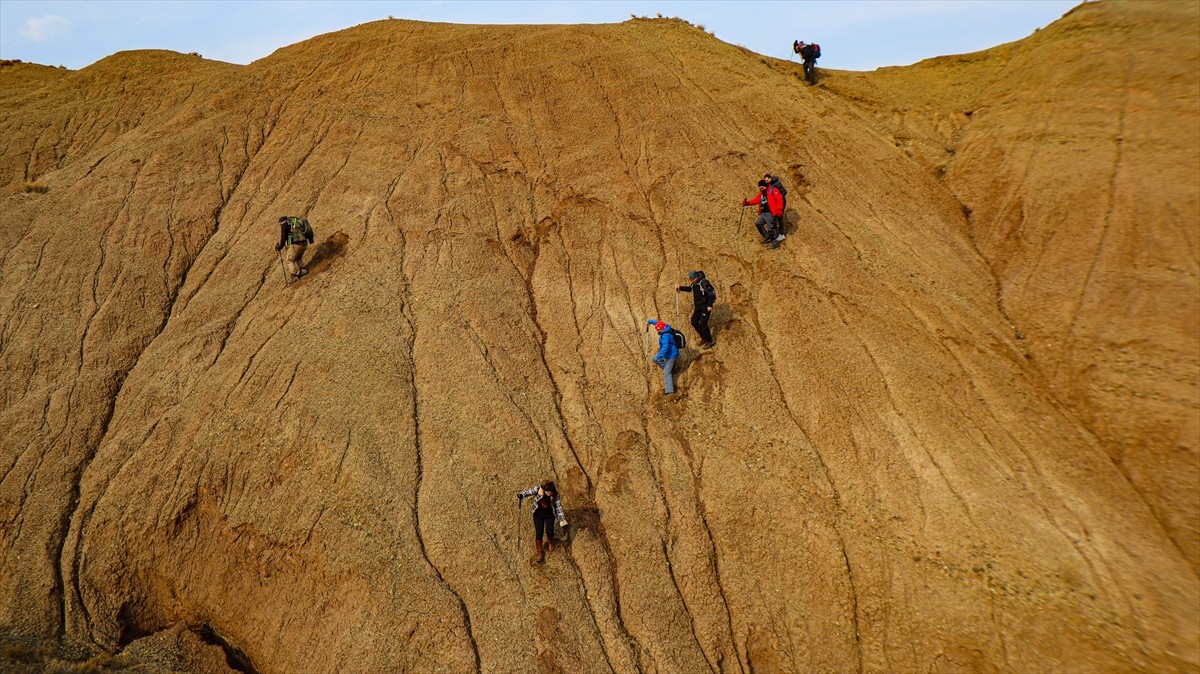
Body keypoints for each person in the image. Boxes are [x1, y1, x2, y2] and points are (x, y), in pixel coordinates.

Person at [517, 481, 568, 563]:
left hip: (549, 515)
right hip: (538, 515)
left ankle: (550, 542)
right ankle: (539, 552)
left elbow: (558, 508)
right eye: (547, 492)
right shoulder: (538, 489)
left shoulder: (556, 495)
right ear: (544, 489)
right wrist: (521, 495)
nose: (548, 494)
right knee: (539, 533)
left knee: (550, 531)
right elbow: (528, 492)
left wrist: (562, 520)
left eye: (550, 492)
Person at [675, 271, 716, 348]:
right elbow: (690, 289)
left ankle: (710, 340)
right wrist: (680, 287)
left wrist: (710, 305)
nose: (691, 281)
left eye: (693, 279)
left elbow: (711, 294)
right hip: (698, 307)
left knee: (703, 323)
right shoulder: (694, 283)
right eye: (691, 280)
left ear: (696, 277)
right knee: (694, 322)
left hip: (705, 307)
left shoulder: (704, 282)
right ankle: (704, 337)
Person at [742, 179, 785, 248]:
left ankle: (774, 243)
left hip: (770, 213)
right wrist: (747, 203)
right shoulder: (762, 192)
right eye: (760, 188)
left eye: (762, 187)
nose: (761, 189)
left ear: (766, 186)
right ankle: (766, 236)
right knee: (758, 223)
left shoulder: (773, 190)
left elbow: (780, 200)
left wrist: (779, 210)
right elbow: (756, 200)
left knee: (771, 228)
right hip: (764, 213)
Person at [275, 215, 315, 283]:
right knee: (298, 258)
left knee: (290, 260)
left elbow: (283, 237)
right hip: (303, 243)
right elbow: (290, 236)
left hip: (295, 245)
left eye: (280, 224)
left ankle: (293, 276)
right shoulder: (294, 223)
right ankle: (303, 269)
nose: (280, 225)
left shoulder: (284, 224)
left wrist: (280, 247)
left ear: (282, 222)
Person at [646, 319, 679, 395]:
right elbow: (657, 322)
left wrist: (659, 357)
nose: (658, 332)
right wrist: (649, 322)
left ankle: (670, 391)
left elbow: (665, 348)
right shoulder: (665, 327)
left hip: (671, 355)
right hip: (668, 354)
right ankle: (671, 367)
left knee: (666, 372)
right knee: (654, 358)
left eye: (658, 330)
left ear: (661, 329)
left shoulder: (665, 336)